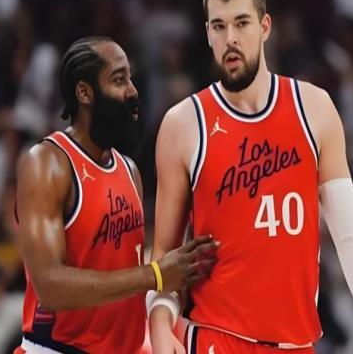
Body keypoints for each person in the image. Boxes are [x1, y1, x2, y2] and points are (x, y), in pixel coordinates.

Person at [148, 0, 353, 353]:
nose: (230, 38)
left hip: (296, 342)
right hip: (216, 338)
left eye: (241, 23)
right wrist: (160, 324)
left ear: (265, 27)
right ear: (208, 33)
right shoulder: (183, 125)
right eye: (218, 26)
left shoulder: (313, 109)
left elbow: (350, 235)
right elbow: (165, 256)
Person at [15, 37, 218, 354]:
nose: (133, 91)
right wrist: (155, 274)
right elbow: (49, 287)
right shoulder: (47, 163)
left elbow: (129, 277)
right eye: (119, 80)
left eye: (130, 78)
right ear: (85, 93)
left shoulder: (129, 170)